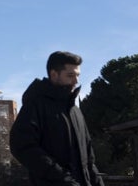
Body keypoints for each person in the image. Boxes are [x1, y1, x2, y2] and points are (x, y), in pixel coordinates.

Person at [9, 51, 106, 186]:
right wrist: (62, 179)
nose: (76, 81)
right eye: (70, 75)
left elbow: (89, 160)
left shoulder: (75, 111)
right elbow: (22, 146)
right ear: (54, 74)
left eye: (77, 75)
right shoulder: (35, 106)